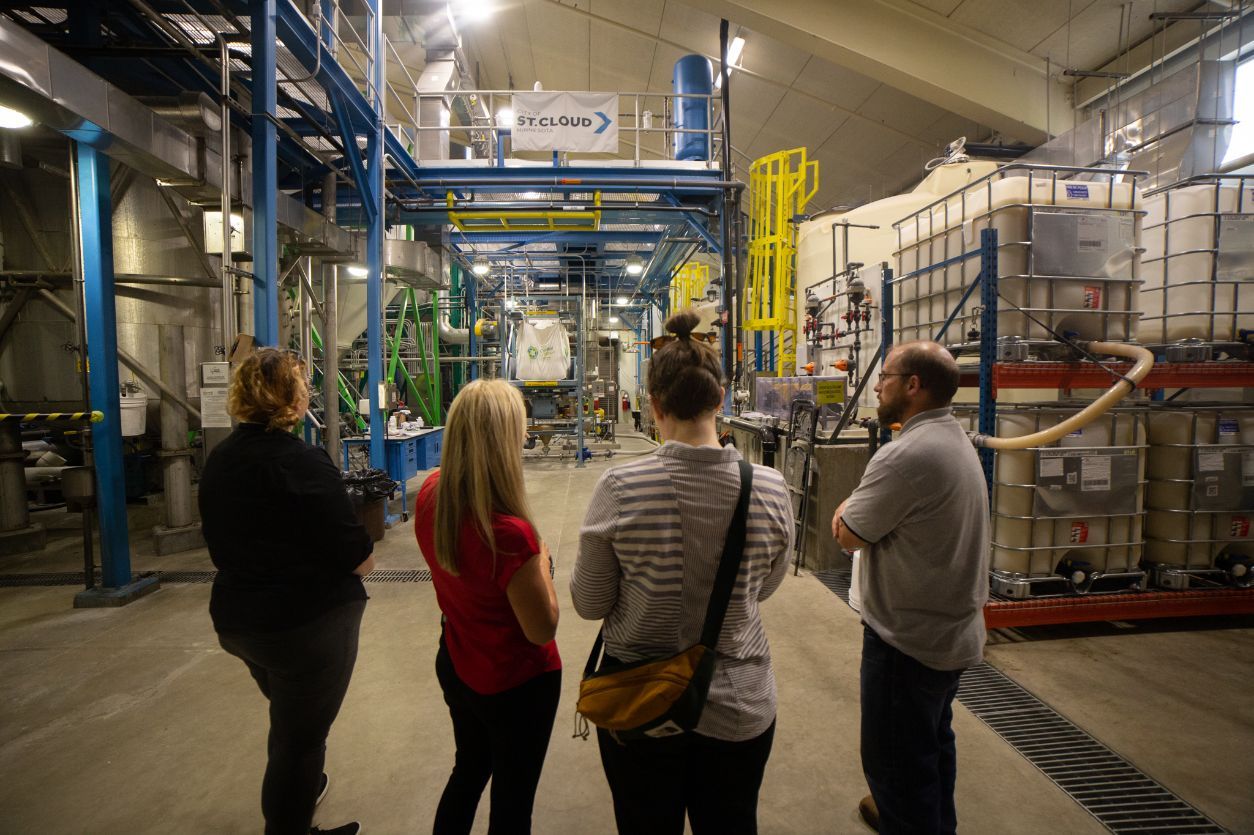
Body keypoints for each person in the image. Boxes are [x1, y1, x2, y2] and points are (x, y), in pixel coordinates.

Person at [572, 309, 794, 835]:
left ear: (652, 404)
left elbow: (589, 603)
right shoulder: (769, 486)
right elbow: (767, 586)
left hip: (641, 707)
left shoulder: (620, 488)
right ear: (719, 399)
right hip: (739, 705)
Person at [200, 348, 374, 835]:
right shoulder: (300, 461)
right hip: (303, 624)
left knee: (292, 722)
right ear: (290, 399)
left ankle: (300, 788)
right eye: (301, 385)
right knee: (300, 738)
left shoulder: (220, 458)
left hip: (238, 618)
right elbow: (353, 548)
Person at [831, 341, 990, 835]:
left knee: (895, 762)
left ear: (913, 386)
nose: (877, 386)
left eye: (886, 377)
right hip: (949, 633)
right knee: (931, 746)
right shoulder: (952, 438)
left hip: (907, 643)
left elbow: (847, 533)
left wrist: (844, 510)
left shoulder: (906, 456)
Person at [413, 379, 561, 835]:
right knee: (513, 801)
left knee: (469, 770)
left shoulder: (432, 494)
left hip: (459, 664)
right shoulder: (510, 535)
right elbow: (541, 628)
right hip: (516, 685)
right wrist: (543, 562)